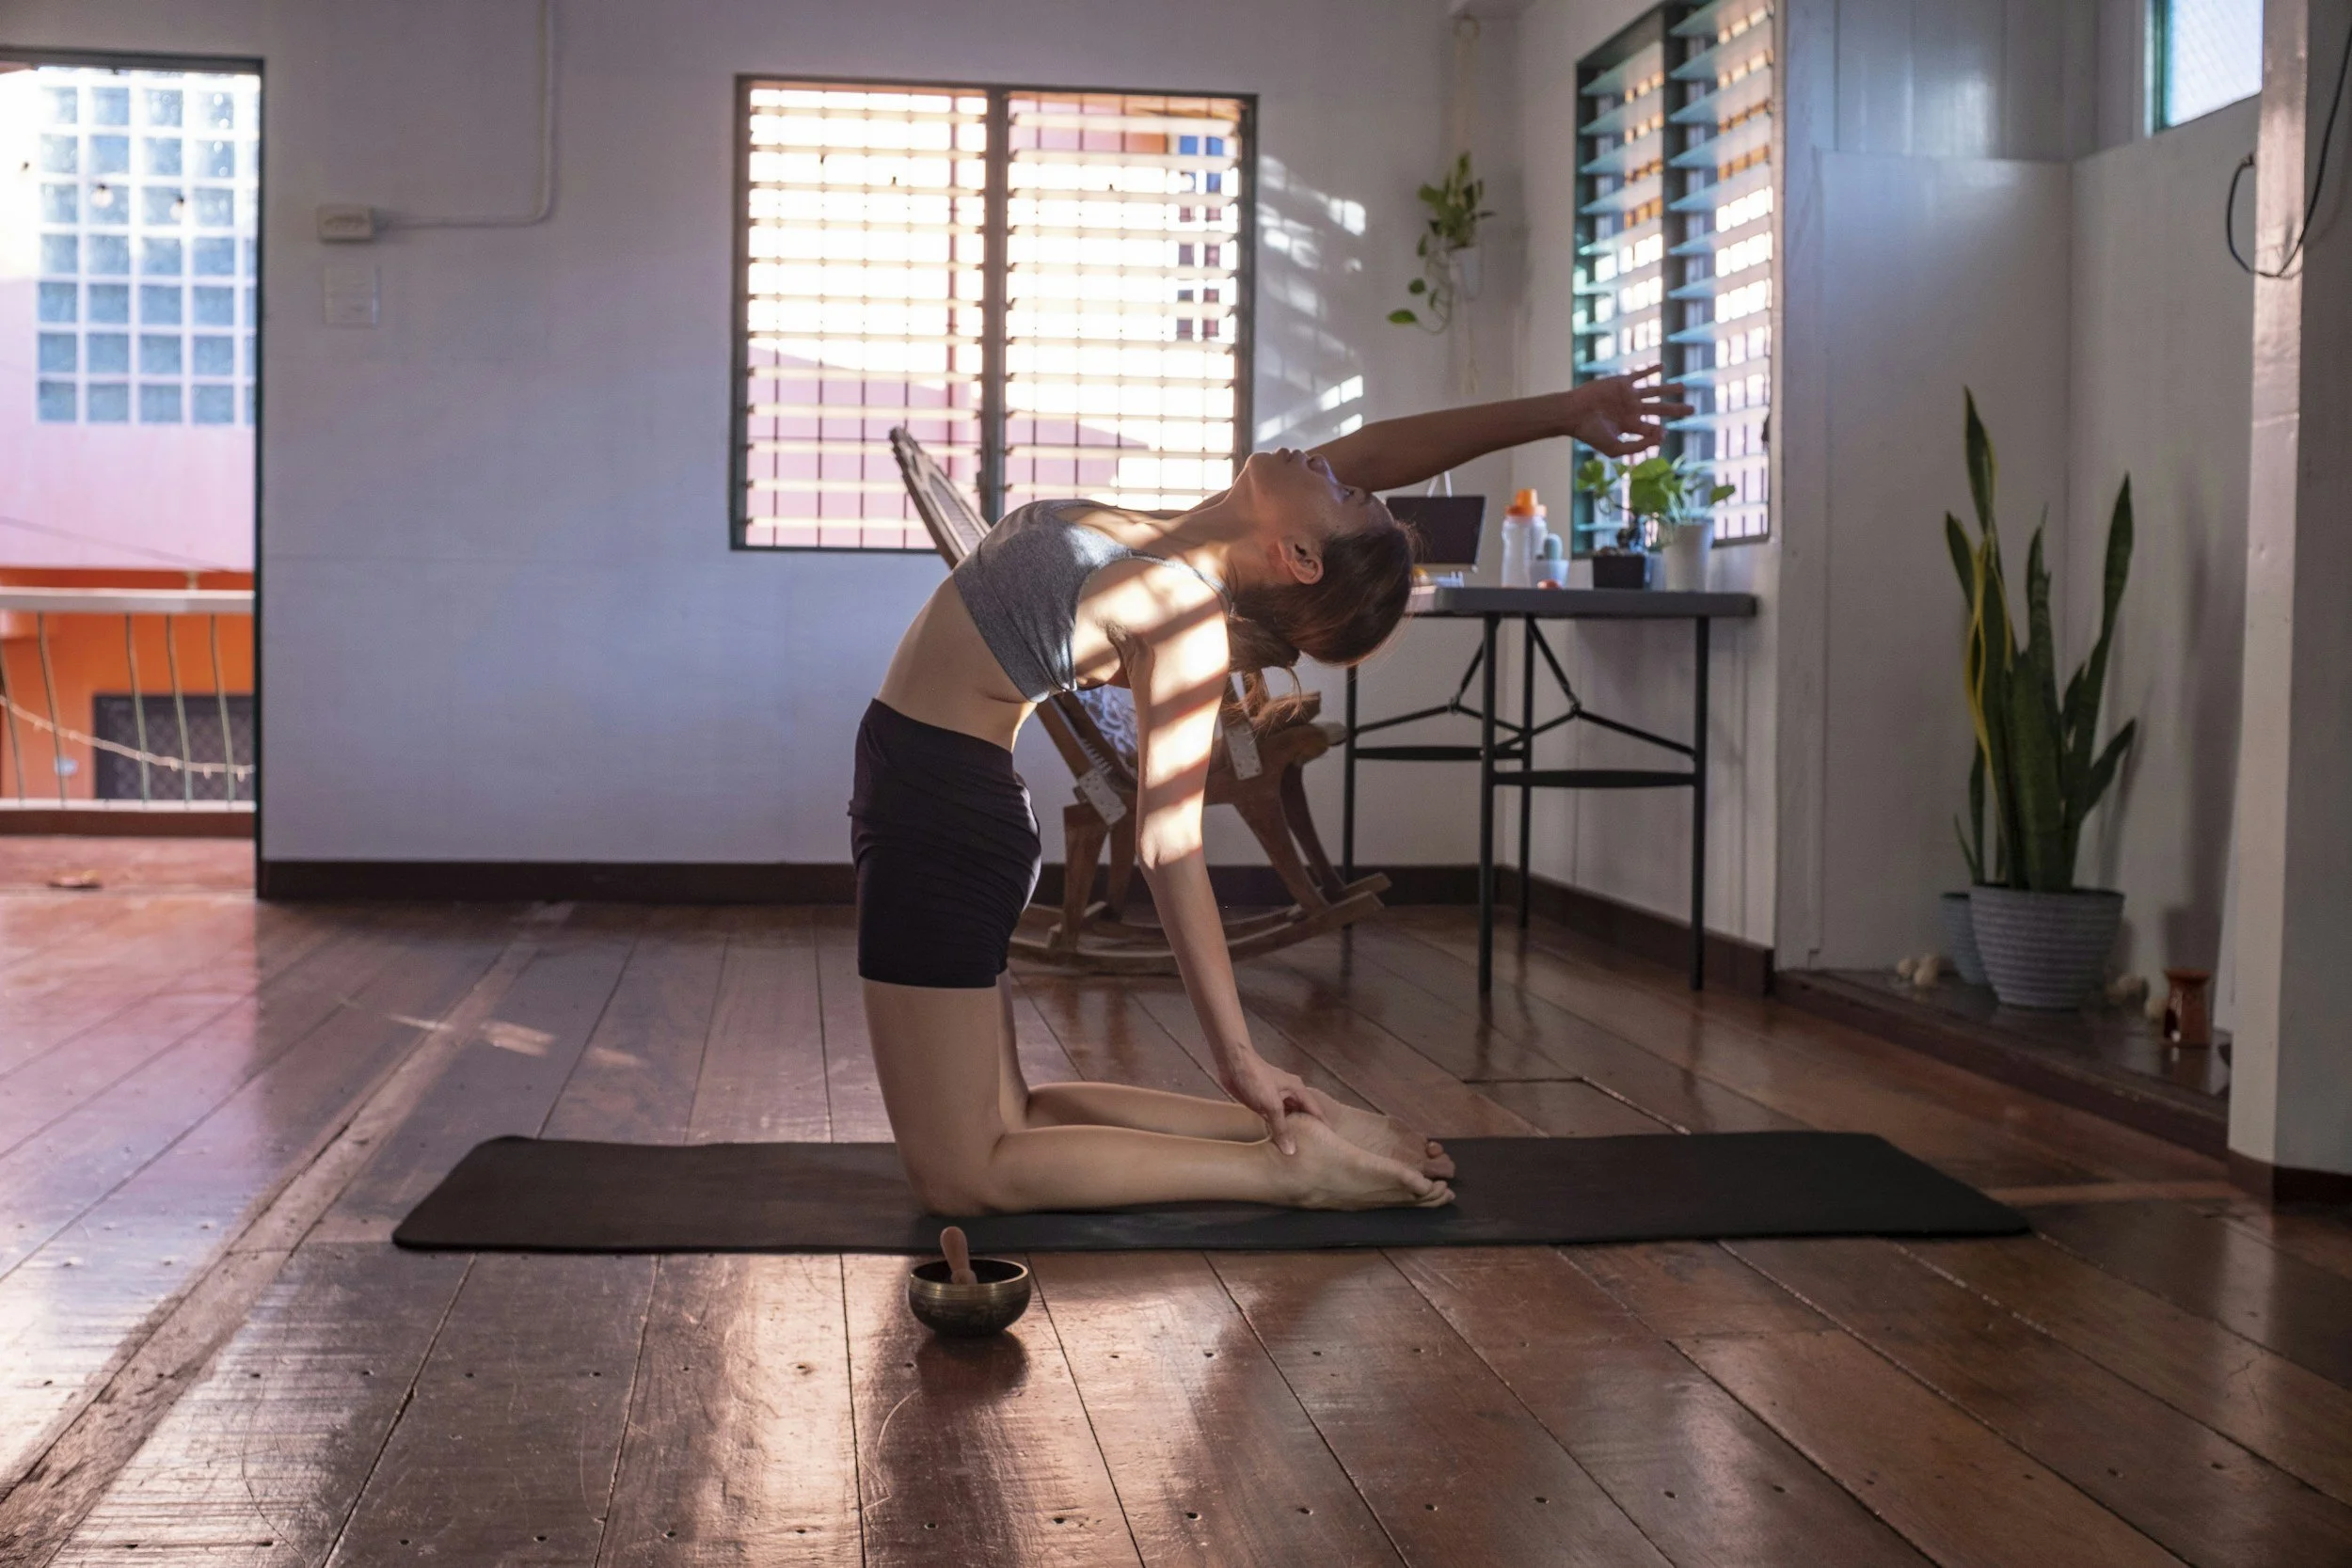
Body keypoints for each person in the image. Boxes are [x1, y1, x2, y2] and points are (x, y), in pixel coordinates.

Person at [852, 369, 1690, 1213]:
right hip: (937, 796)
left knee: (964, 1176)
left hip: (941, 817)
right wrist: (1562, 410)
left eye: (1344, 490)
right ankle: (1290, 1131)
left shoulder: (1179, 613)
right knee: (1013, 1116)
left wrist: (1239, 1053)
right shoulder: (1182, 538)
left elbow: (1166, 845)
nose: (1335, 465)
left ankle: (1283, 1171)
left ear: (1297, 554)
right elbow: (1384, 445)